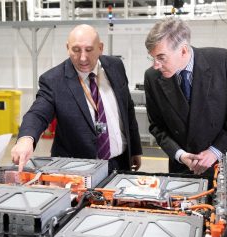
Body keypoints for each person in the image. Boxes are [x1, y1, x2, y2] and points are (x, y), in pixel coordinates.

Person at [11, 24, 142, 173]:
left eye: (89, 49)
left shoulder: (115, 66)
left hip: (120, 162)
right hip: (77, 169)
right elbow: (37, 113)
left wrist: (135, 149)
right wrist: (26, 139)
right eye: (76, 50)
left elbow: (128, 108)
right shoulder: (54, 80)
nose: (83, 57)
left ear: (100, 47)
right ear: (68, 47)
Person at [144, 17, 227, 175]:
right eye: (152, 57)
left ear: (183, 50)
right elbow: (157, 126)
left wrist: (214, 151)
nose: (155, 65)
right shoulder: (152, 77)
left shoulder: (221, 61)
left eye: (161, 57)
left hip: (223, 158)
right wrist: (180, 155)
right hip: (184, 165)